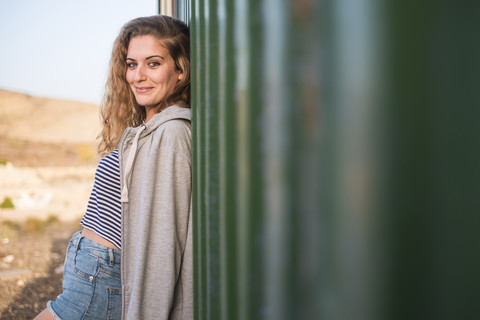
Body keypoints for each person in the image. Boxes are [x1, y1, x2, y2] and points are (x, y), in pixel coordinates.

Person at [34, 15, 193, 320]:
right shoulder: (149, 127)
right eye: (132, 64)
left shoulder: (172, 132)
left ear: (181, 70)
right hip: (92, 272)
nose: (138, 76)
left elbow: (163, 239)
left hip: (104, 277)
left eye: (154, 63)